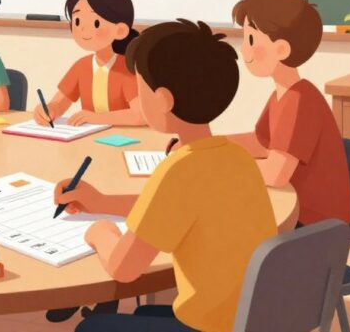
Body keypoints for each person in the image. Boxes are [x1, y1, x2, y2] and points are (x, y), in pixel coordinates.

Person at [57, 20, 277, 332]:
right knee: (139, 316)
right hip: (250, 317)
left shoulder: (179, 170)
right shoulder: (237, 157)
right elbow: (169, 207)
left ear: (163, 99)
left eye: (140, 87)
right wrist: (101, 201)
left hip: (210, 326)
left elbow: (123, 268)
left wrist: (101, 232)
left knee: (92, 328)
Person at [228, 0, 350, 226]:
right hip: (295, 210)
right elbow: (261, 142)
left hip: (313, 224)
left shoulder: (301, 100)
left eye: (251, 40)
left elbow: (275, 173)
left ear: (282, 49)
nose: (244, 50)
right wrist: (210, 145)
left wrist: (220, 164)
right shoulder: (284, 94)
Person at [35, 0, 144, 127]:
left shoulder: (127, 68)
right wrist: (48, 110)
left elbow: (140, 115)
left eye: (96, 23)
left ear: (120, 30)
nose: (83, 29)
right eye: (77, 21)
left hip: (124, 135)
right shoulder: (82, 66)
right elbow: (60, 102)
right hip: (89, 135)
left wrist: (96, 118)